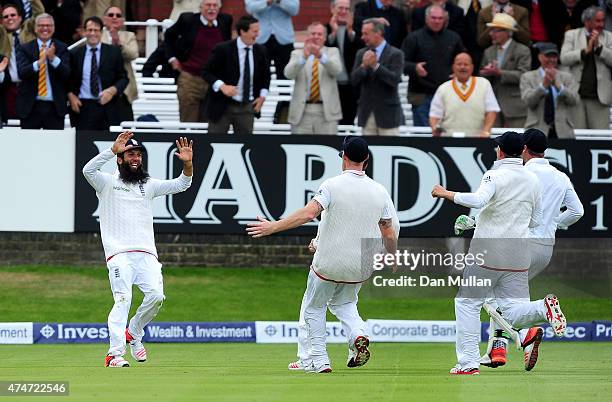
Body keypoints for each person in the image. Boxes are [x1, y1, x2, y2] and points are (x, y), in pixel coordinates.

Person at [247, 136, 398, 373]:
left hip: (329, 263)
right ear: (366, 159)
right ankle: (358, 334)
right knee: (346, 303)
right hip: (360, 266)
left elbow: (309, 214)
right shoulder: (380, 191)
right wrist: (393, 256)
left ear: (344, 158)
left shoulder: (331, 185)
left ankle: (319, 360)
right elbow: (388, 231)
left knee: (314, 307)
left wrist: (272, 227)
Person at [431, 131, 567, 375]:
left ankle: (468, 363)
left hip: (488, 251)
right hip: (518, 253)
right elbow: (536, 221)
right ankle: (541, 309)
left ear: (501, 151)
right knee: (512, 309)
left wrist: (446, 193)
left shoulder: (494, 175)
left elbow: (478, 200)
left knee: (467, 303)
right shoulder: (531, 180)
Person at [82, 131, 194, 368]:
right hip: (119, 254)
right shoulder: (107, 183)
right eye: (130, 154)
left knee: (156, 296)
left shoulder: (148, 185)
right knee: (123, 299)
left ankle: (133, 331)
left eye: (138, 155)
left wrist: (188, 164)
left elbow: (182, 185)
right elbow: (87, 171)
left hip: (147, 254)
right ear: (120, 159)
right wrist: (111, 150)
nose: (135, 158)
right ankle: (114, 354)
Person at [479, 128, 583, 371]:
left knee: (493, 296)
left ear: (524, 149)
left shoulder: (521, 173)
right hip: (544, 249)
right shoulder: (560, 176)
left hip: (518, 244)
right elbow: (578, 212)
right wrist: (553, 223)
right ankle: (499, 350)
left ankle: (536, 315)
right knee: (509, 299)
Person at [164, 0, 232, 122]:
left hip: (213, 81)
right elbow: (169, 36)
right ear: (200, 7)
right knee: (189, 123)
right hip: (190, 79)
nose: (211, 9)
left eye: (215, 5)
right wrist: (172, 59)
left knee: (209, 123)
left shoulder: (225, 21)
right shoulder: (188, 20)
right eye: (208, 5)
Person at [203, 15, 270, 134]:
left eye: (258, 31)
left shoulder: (261, 51)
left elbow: (266, 77)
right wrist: (222, 86)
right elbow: (206, 72)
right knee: (215, 143)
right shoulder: (223, 49)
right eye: (254, 31)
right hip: (222, 106)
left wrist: (262, 97)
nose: (257, 34)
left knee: (246, 145)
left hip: (247, 107)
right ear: (242, 31)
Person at [401, 5, 465, 127]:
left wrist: (458, 72)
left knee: (446, 134)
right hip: (421, 96)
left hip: (448, 95)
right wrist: (414, 67)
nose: (437, 21)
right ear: (426, 19)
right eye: (433, 18)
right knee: (423, 136)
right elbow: (401, 63)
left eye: (440, 18)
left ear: (445, 19)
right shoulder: (413, 38)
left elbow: (464, 60)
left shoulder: (454, 38)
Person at [67, 16, 128, 130]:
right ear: (84, 32)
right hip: (82, 108)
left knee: (108, 146)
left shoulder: (113, 52)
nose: (92, 33)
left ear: (101, 32)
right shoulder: (75, 53)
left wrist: (112, 91)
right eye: (89, 30)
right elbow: (68, 79)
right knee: (83, 145)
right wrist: (71, 96)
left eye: (96, 30)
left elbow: (123, 78)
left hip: (106, 106)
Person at [285, 22, 342, 134]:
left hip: (326, 112)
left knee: (328, 147)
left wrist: (321, 56)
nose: (316, 37)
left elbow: (336, 71)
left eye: (319, 34)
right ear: (307, 36)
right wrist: (303, 58)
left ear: (325, 37)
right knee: (300, 148)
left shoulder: (332, 52)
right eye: (313, 33)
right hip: (302, 111)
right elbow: (288, 74)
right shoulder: (297, 53)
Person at [560, 6, 612, 130]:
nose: (601, 24)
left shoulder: (609, 37)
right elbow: (564, 58)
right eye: (597, 21)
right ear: (587, 21)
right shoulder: (571, 35)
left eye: (603, 20)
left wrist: (599, 48)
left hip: (600, 98)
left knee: (600, 139)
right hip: (576, 96)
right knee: (577, 137)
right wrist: (585, 51)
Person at [16, 13, 70, 129]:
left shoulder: (62, 48)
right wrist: (39, 62)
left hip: (54, 108)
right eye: (41, 25)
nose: (45, 28)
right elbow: (22, 72)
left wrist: (53, 59)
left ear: (53, 28)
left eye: (48, 25)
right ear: (35, 28)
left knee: (53, 145)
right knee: (29, 145)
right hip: (30, 107)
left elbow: (67, 73)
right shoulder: (24, 48)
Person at [351, 18, 404, 135]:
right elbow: (354, 80)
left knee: (390, 149)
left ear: (378, 33)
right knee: (367, 151)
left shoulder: (396, 54)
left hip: (388, 115)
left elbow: (394, 80)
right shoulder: (361, 53)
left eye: (366, 33)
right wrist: (364, 66)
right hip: (367, 113)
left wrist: (376, 66)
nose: (362, 37)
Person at [429, 52, 500, 137]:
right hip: (448, 139)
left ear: (472, 67)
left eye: (466, 64)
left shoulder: (484, 84)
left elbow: (492, 110)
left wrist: (486, 131)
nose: (462, 67)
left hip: (478, 139)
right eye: (459, 64)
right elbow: (434, 114)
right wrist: (434, 128)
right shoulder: (443, 88)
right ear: (453, 67)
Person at [480, 13, 531, 128]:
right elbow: (482, 76)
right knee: (494, 142)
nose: (491, 34)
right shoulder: (488, 51)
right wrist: (486, 73)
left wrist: (499, 72)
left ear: (507, 33)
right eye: (491, 30)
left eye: (495, 31)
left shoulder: (522, 50)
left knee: (517, 141)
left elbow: (524, 76)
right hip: (493, 106)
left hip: (515, 107)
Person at [520, 42, 579, 138]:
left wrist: (559, 86)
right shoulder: (527, 77)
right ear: (539, 57)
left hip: (563, 131)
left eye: (554, 56)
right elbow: (529, 102)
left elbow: (575, 100)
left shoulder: (567, 77)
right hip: (536, 130)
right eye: (548, 56)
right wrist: (543, 87)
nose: (552, 59)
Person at [0, 0, 43, 122]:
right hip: (9, 89)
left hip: (32, 87)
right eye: (6, 17)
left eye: (13, 15)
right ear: (2, 21)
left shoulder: (29, 29)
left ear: (20, 18)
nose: (10, 18)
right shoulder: (1, 34)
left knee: (30, 125)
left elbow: (39, 13)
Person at [325, 0, 363, 125]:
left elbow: (361, 49)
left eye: (347, 9)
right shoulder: (324, 29)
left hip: (350, 86)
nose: (344, 12)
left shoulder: (357, 29)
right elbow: (323, 51)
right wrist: (334, 32)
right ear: (332, 9)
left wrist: (350, 30)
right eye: (340, 8)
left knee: (348, 122)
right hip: (331, 85)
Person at [245, 0, 299, 80]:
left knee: (285, 74)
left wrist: (280, 1)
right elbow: (250, 8)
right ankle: (262, 93)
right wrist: (266, 2)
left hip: (284, 38)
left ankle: (284, 92)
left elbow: (295, 10)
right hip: (260, 37)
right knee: (259, 73)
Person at [102, 5, 138, 122]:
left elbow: (133, 54)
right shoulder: (97, 35)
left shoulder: (129, 35)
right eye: (111, 15)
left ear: (122, 21)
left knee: (125, 130)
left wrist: (119, 43)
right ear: (104, 19)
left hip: (124, 91)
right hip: (102, 89)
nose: (114, 18)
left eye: (118, 15)